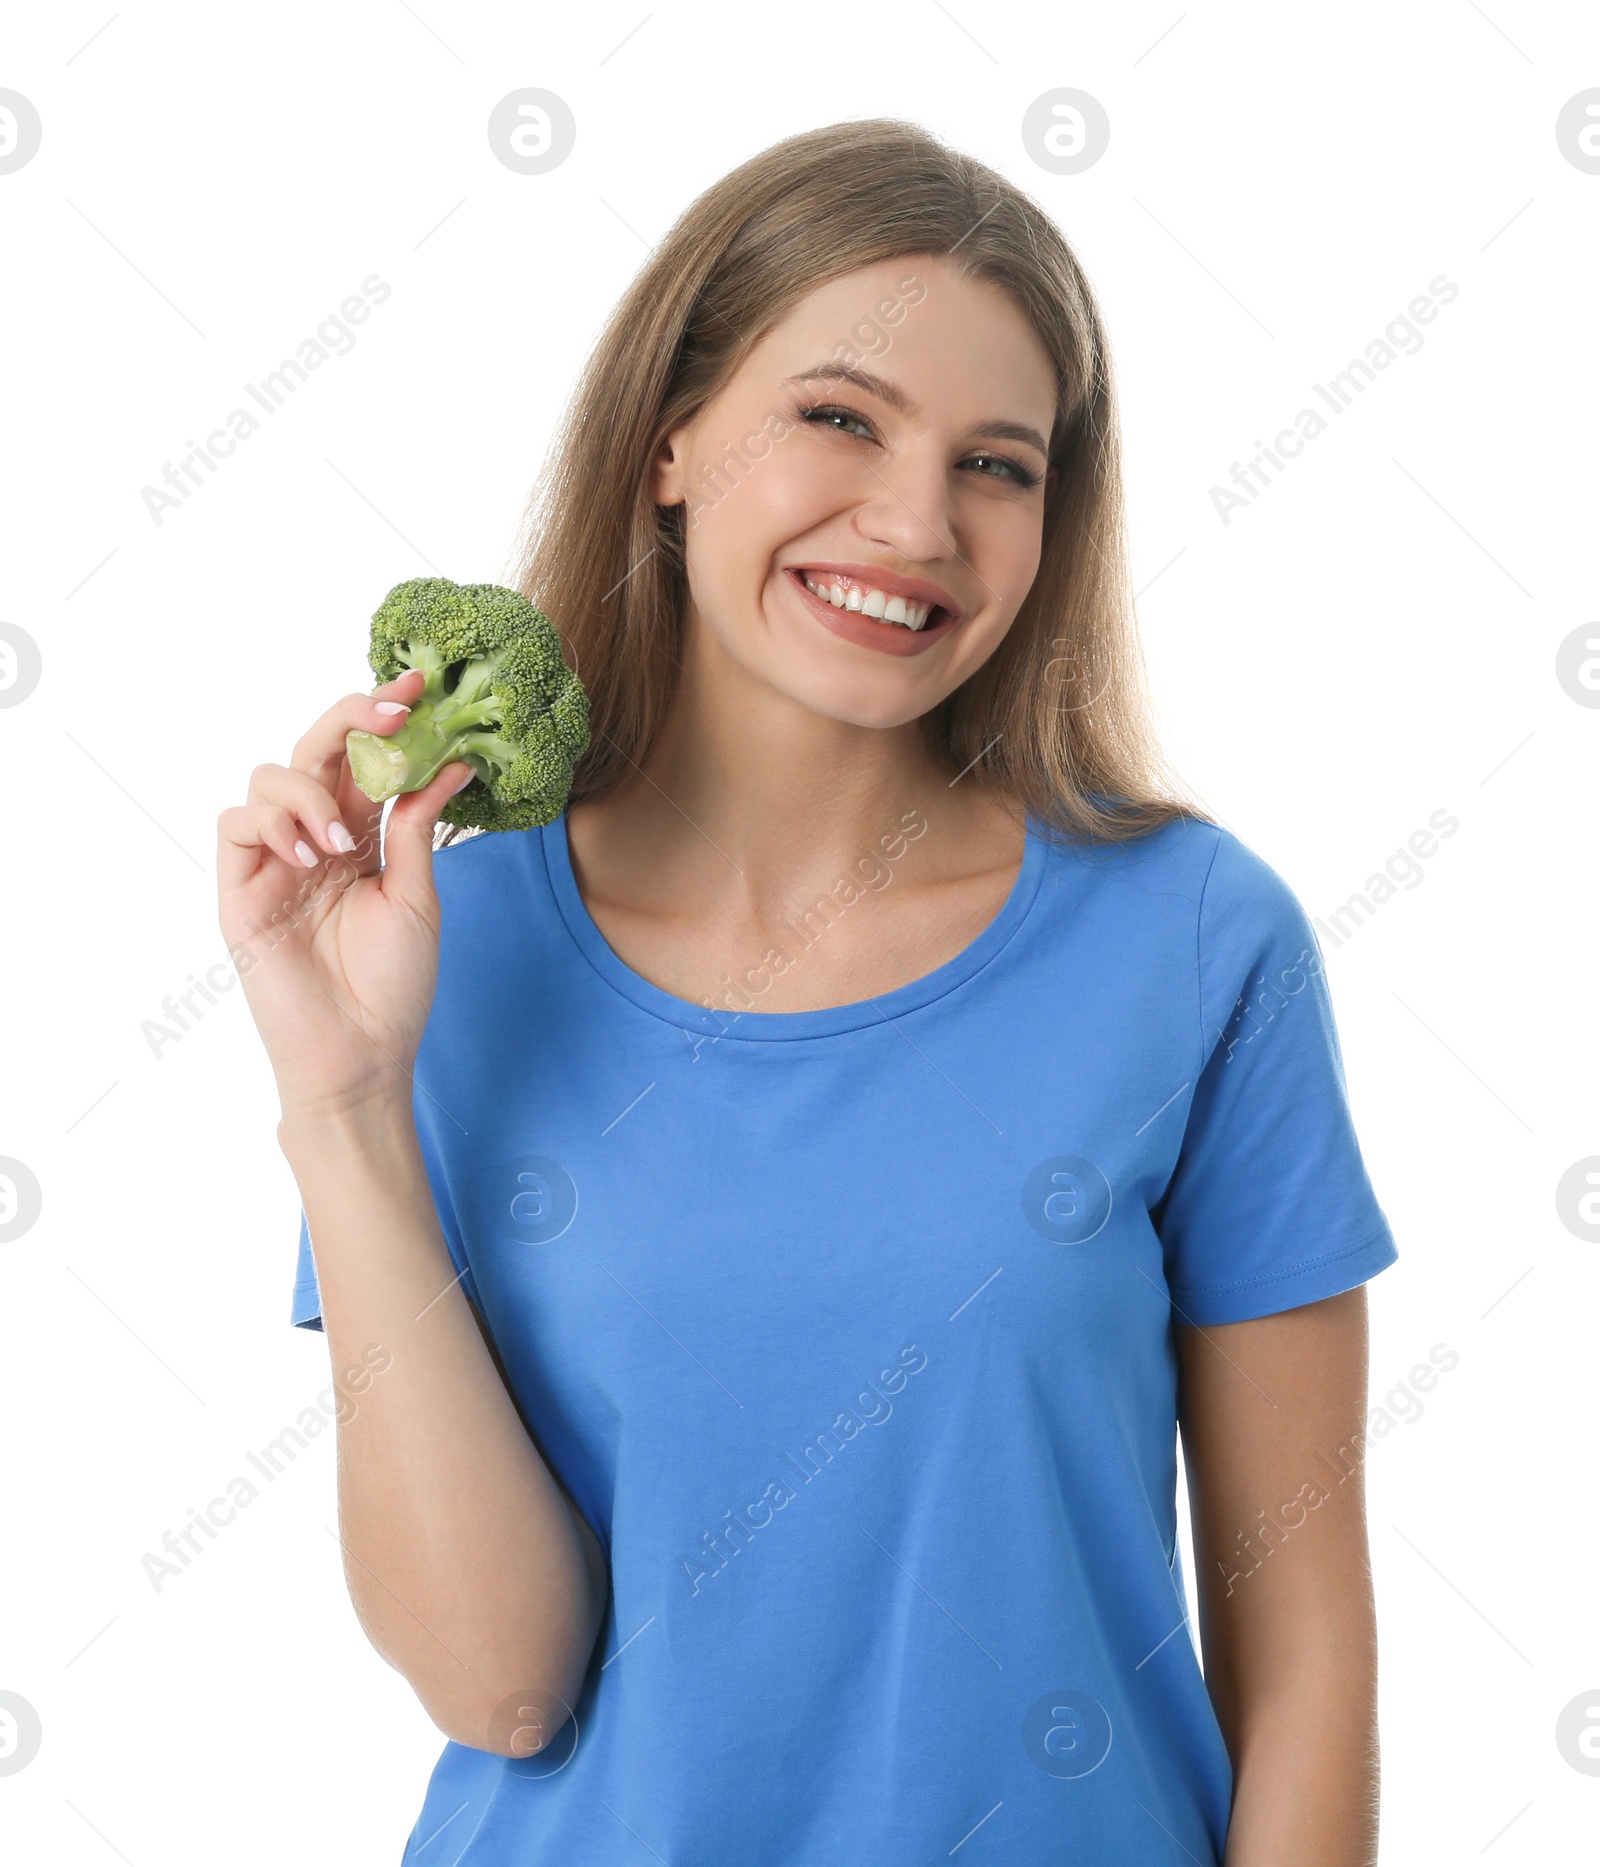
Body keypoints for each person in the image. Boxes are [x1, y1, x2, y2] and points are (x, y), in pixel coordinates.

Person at [218, 118, 1397, 1867]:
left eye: (999, 464)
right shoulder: (444, 961)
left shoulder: (1198, 943)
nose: (916, 522)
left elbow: (1302, 1662)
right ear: (672, 440)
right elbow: (506, 1689)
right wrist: (341, 1102)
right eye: (841, 417)